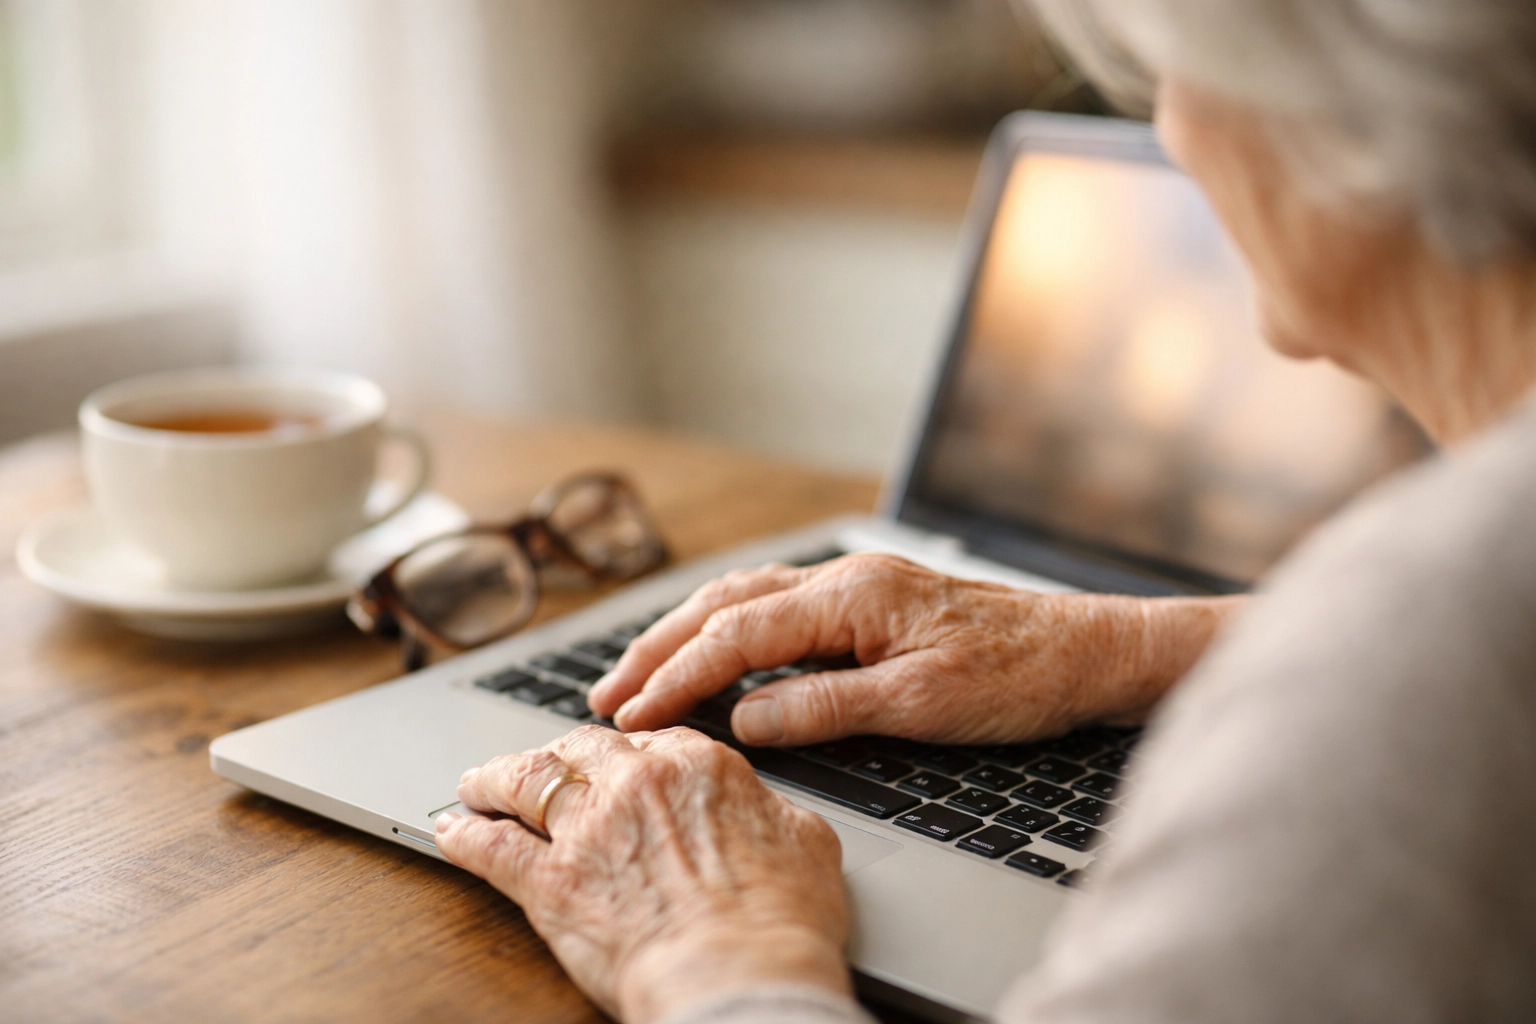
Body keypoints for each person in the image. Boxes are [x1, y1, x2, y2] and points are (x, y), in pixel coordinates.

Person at [433, 2, 1536, 1021]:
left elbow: (1443, 650)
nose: (1175, 135)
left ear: (1343, 122)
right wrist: (1127, 641)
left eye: (1177, 77)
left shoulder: (1422, 642)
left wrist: (716, 946)